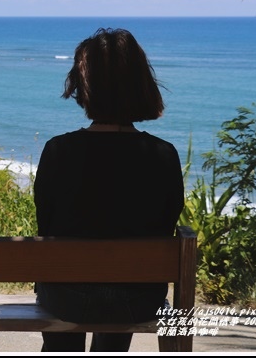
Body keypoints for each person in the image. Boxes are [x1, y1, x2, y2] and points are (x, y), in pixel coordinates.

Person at [33, 27, 185, 352]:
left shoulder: (58, 151)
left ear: (82, 87)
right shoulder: (163, 155)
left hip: (66, 299)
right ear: (142, 83)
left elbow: (46, 227)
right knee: (124, 287)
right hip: (136, 301)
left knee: (65, 283)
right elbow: (164, 224)